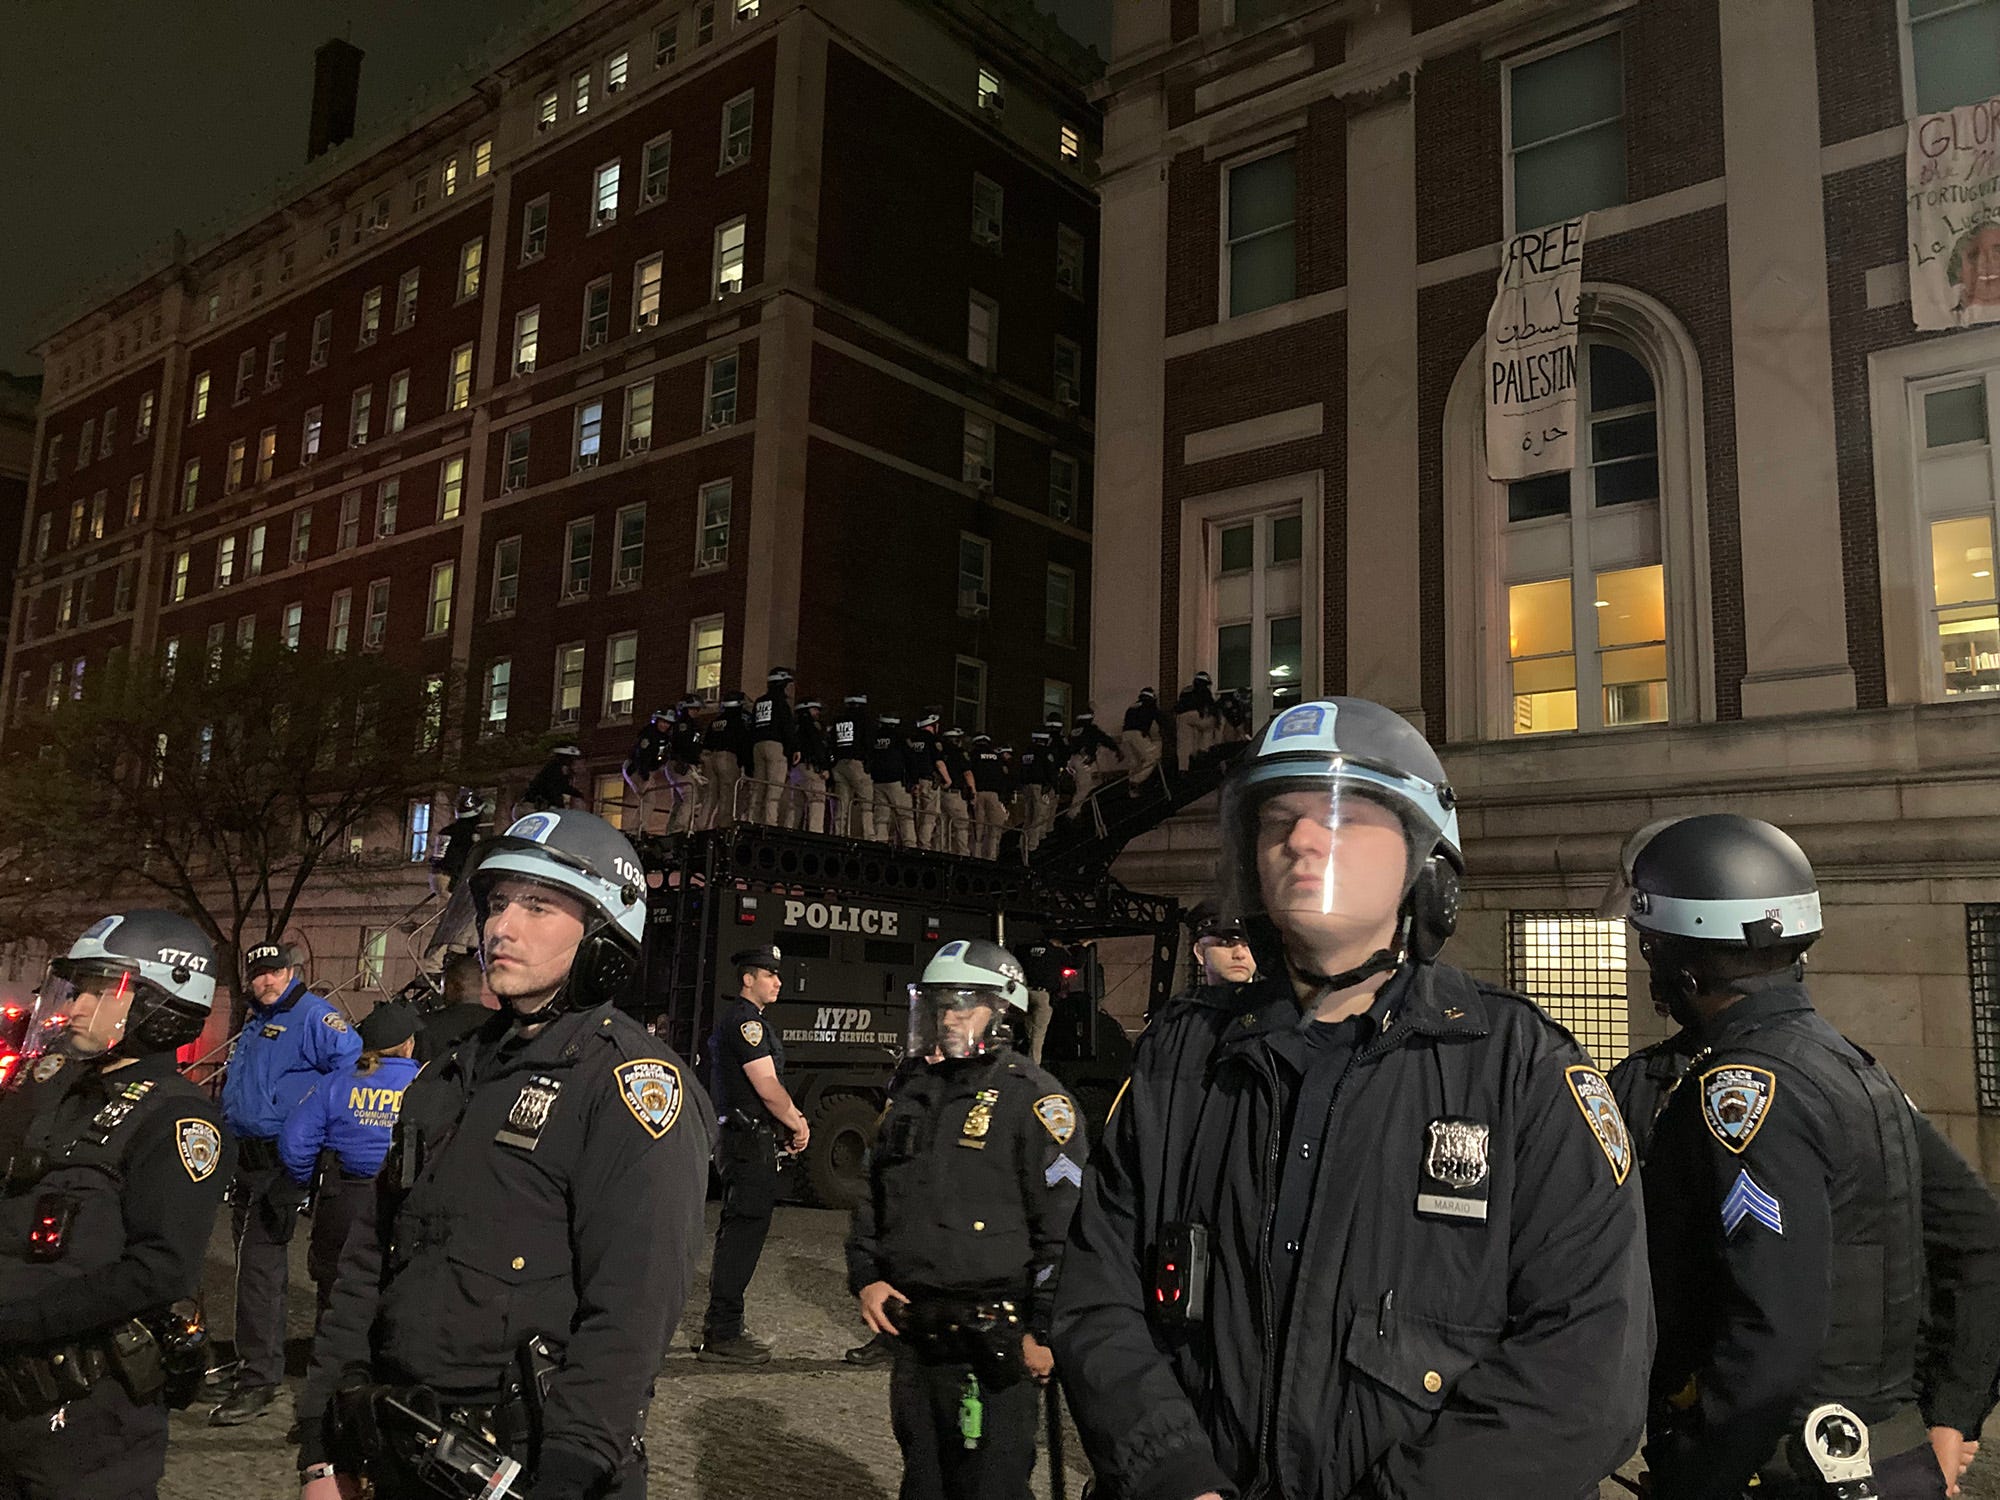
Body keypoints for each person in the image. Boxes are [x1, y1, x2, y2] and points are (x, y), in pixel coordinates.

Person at [1052, 697, 1653, 1500]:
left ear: (1422, 861)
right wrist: (1173, 1473)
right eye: (1278, 820)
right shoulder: (1181, 1055)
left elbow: (1586, 1367)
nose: (1300, 839)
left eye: (1343, 815)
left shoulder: (1522, 1072)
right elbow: (1100, 1295)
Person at [295, 809, 714, 1500]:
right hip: (401, 1450)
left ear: (605, 934)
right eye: (496, 903)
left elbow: (630, 1318)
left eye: (538, 905)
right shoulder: (448, 1074)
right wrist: (321, 1443)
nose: (500, 926)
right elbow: (366, 1264)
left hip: (534, 1469)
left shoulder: (629, 1085)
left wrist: (568, 1475)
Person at [1632, 813, 2000, 1499]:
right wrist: (1950, 1414)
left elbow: (1772, 1333)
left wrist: (1699, 1477)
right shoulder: (1856, 1069)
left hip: (1783, 1473)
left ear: (1682, 958)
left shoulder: (1738, 1090)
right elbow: (1980, 1235)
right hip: (1886, 1463)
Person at [0, 909, 232, 1500]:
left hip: (85, 1416)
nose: (78, 1006)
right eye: (80, 988)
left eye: (103, 990)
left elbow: (160, 1268)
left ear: (161, 1002)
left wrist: (18, 1321)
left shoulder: (178, 1117)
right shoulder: (53, 1088)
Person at [847, 940, 1085, 1500]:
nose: (948, 1018)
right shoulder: (911, 1094)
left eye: (963, 1004)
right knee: (924, 1482)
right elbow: (873, 1195)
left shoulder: (1037, 1102)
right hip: (916, 1335)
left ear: (1003, 1012)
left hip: (998, 1340)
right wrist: (866, 1275)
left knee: (992, 1487)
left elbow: (1064, 1226)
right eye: (938, 1005)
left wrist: (1044, 1330)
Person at [213, 941, 360, 1426]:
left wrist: (310, 1137)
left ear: (293, 971)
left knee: (259, 1267)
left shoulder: (315, 1017)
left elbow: (348, 1071)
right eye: (259, 974)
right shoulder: (256, 1021)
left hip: (283, 1159)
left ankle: (259, 1378)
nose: (267, 981)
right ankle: (252, 1361)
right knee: (250, 1268)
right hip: (249, 1157)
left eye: (275, 972)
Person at [277, 1003, 421, 1329]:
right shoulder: (423, 1084)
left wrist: (309, 1183)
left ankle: (332, 1368)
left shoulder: (336, 1082)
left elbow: (295, 1141)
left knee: (334, 1292)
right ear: (407, 1044)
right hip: (401, 1200)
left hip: (342, 1199)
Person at [699, 944, 810, 1364]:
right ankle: (723, 1334)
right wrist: (798, 1122)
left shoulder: (750, 1022)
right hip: (747, 1142)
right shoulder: (746, 1024)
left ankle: (725, 1327)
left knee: (740, 1233)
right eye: (769, 974)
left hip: (746, 1138)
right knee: (742, 1235)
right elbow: (765, 1087)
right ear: (748, 979)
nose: (778, 981)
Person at [414, 949, 497, 1064]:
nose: (440, 991)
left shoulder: (424, 1025)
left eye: (442, 985)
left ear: (451, 986)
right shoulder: (502, 1024)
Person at [751, 667, 798, 826]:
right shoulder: (781, 703)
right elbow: (788, 729)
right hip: (775, 746)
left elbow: (752, 726)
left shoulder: (760, 702)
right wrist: (792, 750)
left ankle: (753, 820)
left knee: (758, 787)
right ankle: (770, 823)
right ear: (782, 684)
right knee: (774, 788)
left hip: (757, 746)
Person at [702, 692, 752, 827]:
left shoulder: (716, 721)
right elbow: (742, 743)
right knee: (727, 796)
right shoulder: (738, 720)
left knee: (710, 797)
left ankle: (701, 828)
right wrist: (747, 765)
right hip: (728, 758)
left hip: (710, 757)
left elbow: (706, 743)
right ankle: (722, 829)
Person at [622, 710, 675, 834]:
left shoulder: (665, 738)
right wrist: (645, 776)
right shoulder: (648, 734)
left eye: (668, 723)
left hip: (646, 770)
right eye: (662, 722)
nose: (665, 725)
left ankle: (636, 828)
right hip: (636, 769)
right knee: (649, 800)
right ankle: (637, 829)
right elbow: (641, 756)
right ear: (657, 720)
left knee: (647, 800)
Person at [831, 693, 876, 840]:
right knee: (866, 801)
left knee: (842, 802)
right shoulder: (864, 720)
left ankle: (839, 834)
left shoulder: (838, 721)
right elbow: (869, 743)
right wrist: (868, 763)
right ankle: (868, 835)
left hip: (839, 765)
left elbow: (831, 742)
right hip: (856, 764)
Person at [1187, 899, 1258, 987]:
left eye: (1249, 945)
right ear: (1200, 953)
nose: (1240, 954)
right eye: (1226, 944)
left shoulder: (1276, 999)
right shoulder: (1184, 1000)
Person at [870, 714, 917, 848]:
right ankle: (910, 844)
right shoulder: (900, 737)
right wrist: (913, 780)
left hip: (878, 781)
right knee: (905, 815)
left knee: (881, 815)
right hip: (896, 781)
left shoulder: (875, 737)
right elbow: (910, 758)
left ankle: (881, 841)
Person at [431, 790, 489, 895]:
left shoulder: (447, 831)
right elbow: (463, 859)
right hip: (451, 880)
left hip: (436, 877)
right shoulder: (469, 834)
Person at [907, 711, 950, 852]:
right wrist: (947, 779)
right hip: (929, 782)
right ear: (932, 725)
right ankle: (924, 846)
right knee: (929, 816)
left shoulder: (914, 740)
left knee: (918, 815)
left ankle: (917, 843)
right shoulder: (932, 740)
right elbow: (939, 762)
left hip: (915, 781)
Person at [1065, 708, 1118, 817]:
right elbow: (1104, 739)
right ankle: (1073, 814)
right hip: (1085, 760)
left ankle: (1080, 809)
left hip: (1072, 761)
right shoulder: (1090, 729)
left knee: (1083, 785)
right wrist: (1116, 748)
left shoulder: (1074, 731)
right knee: (1084, 787)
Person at [667, 696, 708, 834]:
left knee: (679, 801)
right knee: (691, 797)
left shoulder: (689, 725)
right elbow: (684, 745)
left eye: (698, 709)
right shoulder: (683, 725)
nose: (697, 712)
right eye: (694, 709)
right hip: (680, 764)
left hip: (681, 764)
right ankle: (679, 830)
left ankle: (671, 830)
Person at [794, 698, 834, 833]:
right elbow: (818, 748)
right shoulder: (811, 727)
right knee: (817, 801)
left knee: (795, 805)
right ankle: (815, 834)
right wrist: (825, 767)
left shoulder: (795, 726)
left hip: (796, 770)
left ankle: (788, 832)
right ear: (807, 710)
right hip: (810, 768)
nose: (817, 712)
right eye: (815, 709)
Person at [1017, 728, 1060, 856]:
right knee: (1040, 815)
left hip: (1026, 787)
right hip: (1041, 787)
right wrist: (1055, 788)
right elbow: (1050, 771)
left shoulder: (1027, 753)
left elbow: (1021, 771)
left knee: (1029, 816)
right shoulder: (1046, 752)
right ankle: (1033, 845)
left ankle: (1022, 843)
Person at [1118, 687, 1166, 791]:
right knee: (1153, 758)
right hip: (1138, 734)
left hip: (1125, 735)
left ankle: (1132, 790)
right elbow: (1161, 719)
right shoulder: (1149, 704)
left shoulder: (1132, 706)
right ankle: (1137, 781)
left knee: (1134, 763)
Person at [970, 735, 1009, 860]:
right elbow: (1003, 775)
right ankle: (991, 857)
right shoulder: (996, 756)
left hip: (977, 793)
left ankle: (976, 857)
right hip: (994, 795)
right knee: (994, 828)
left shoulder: (973, 755)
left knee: (978, 829)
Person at [941, 727, 977, 856]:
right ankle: (962, 854)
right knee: (961, 825)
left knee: (942, 826)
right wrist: (973, 792)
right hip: (955, 794)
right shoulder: (959, 753)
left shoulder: (940, 752)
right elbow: (967, 773)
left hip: (939, 792)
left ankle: (942, 852)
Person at [1172, 671, 1219, 766]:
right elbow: (1211, 706)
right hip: (1202, 716)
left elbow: (1178, 707)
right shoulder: (1205, 691)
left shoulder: (1186, 691)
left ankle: (1183, 767)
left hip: (1184, 716)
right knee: (1208, 730)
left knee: (1184, 742)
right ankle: (1204, 750)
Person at [522, 746, 586, 813]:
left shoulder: (560, 771)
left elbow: (562, 787)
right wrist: (559, 807)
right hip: (536, 804)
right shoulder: (554, 770)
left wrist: (577, 794)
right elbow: (553, 789)